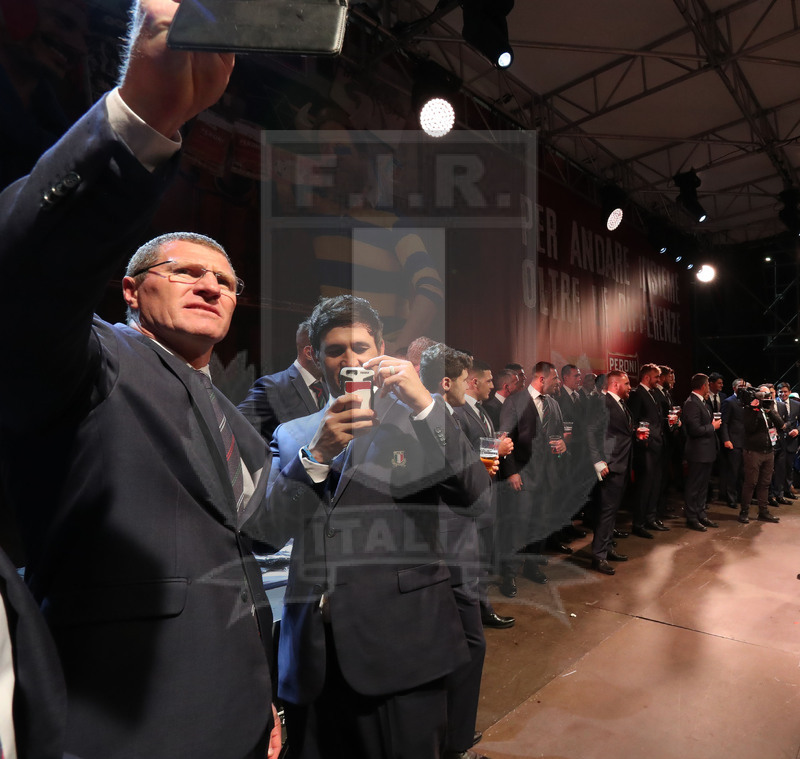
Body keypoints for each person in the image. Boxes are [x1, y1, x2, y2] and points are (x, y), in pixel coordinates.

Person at [0, 3, 281, 757]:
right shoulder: (86, 359)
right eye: (185, 270)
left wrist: (268, 696)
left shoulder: (232, 416)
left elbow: (251, 549)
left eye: (225, 279)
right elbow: (27, 279)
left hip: (245, 717)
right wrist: (140, 118)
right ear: (131, 291)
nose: (211, 286)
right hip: (134, 730)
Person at [265, 295, 491, 759]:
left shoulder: (417, 422)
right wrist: (317, 457)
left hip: (400, 651)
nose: (350, 360)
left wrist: (427, 405)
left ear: (382, 350)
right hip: (313, 659)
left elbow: (475, 496)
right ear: (315, 356)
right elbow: (267, 529)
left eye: (361, 348)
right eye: (335, 350)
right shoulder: (292, 435)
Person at [419, 344, 493, 759]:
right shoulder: (433, 420)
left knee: (464, 644)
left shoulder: (445, 416)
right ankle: (453, 743)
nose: (473, 385)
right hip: (448, 549)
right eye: (467, 380)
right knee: (468, 644)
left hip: (458, 544)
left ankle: (453, 738)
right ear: (447, 383)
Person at [451, 358, 515, 629]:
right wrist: (495, 451)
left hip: (486, 491)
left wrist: (497, 448)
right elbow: (459, 457)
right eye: (490, 380)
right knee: (472, 563)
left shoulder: (482, 410)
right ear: (474, 383)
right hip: (469, 499)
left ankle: (480, 610)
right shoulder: (457, 412)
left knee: (481, 559)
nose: (495, 385)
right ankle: (480, 613)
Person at [239, 317, 327, 442]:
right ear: (309, 353)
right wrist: (269, 459)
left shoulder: (327, 387)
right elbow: (235, 428)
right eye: (331, 351)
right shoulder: (271, 386)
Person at [587, 370, 634, 575]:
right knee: (606, 512)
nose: (630, 387)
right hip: (610, 465)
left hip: (621, 463)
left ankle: (606, 547)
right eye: (627, 383)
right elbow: (590, 432)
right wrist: (598, 461)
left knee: (612, 510)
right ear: (615, 385)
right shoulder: (602, 403)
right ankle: (598, 556)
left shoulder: (620, 403)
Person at [627, 363, 668, 538]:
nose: (659, 380)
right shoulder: (637, 394)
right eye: (656, 377)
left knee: (655, 484)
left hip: (658, 446)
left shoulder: (653, 394)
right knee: (644, 487)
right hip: (645, 448)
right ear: (646, 377)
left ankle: (651, 518)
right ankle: (639, 523)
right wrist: (644, 438)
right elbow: (633, 421)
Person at [682, 373, 722, 532]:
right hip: (697, 453)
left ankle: (701, 513)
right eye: (707, 385)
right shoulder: (691, 403)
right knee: (694, 486)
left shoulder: (702, 402)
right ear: (704, 386)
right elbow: (694, 429)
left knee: (703, 485)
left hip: (707, 452)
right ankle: (691, 517)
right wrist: (713, 427)